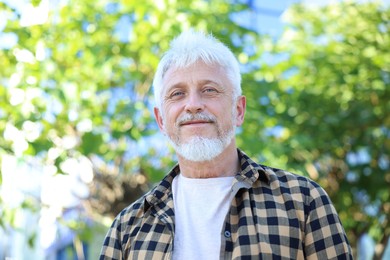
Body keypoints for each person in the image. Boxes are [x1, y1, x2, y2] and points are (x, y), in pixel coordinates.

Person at [100, 30, 352, 259]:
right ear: (161, 120)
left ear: (238, 110)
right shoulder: (128, 228)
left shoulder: (303, 201)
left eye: (209, 90)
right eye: (177, 94)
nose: (193, 104)